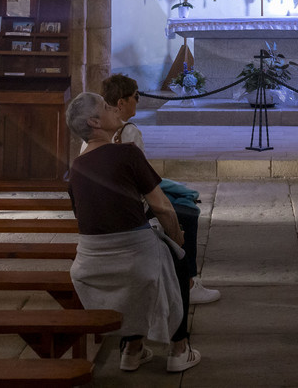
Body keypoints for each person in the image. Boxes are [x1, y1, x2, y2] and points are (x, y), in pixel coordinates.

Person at [66, 91, 201, 373]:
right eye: (105, 107)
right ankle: (179, 349)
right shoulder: (126, 152)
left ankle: (132, 349)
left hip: (89, 267)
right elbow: (162, 207)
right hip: (134, 261)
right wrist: (177, 238)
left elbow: (86, 217)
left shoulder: (76, 167)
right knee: (176, 260)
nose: (115, 107)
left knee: (140, 267)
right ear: (94, 122)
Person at [93, 74, 220, 305]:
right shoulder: (128, 132)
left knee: (179, 199)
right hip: (129, 209)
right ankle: (188, 284)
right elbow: (142, 182)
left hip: (103, 206)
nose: (138, 100)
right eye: (135, 96)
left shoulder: (93, 133)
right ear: (121, 103)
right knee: (188, 216)